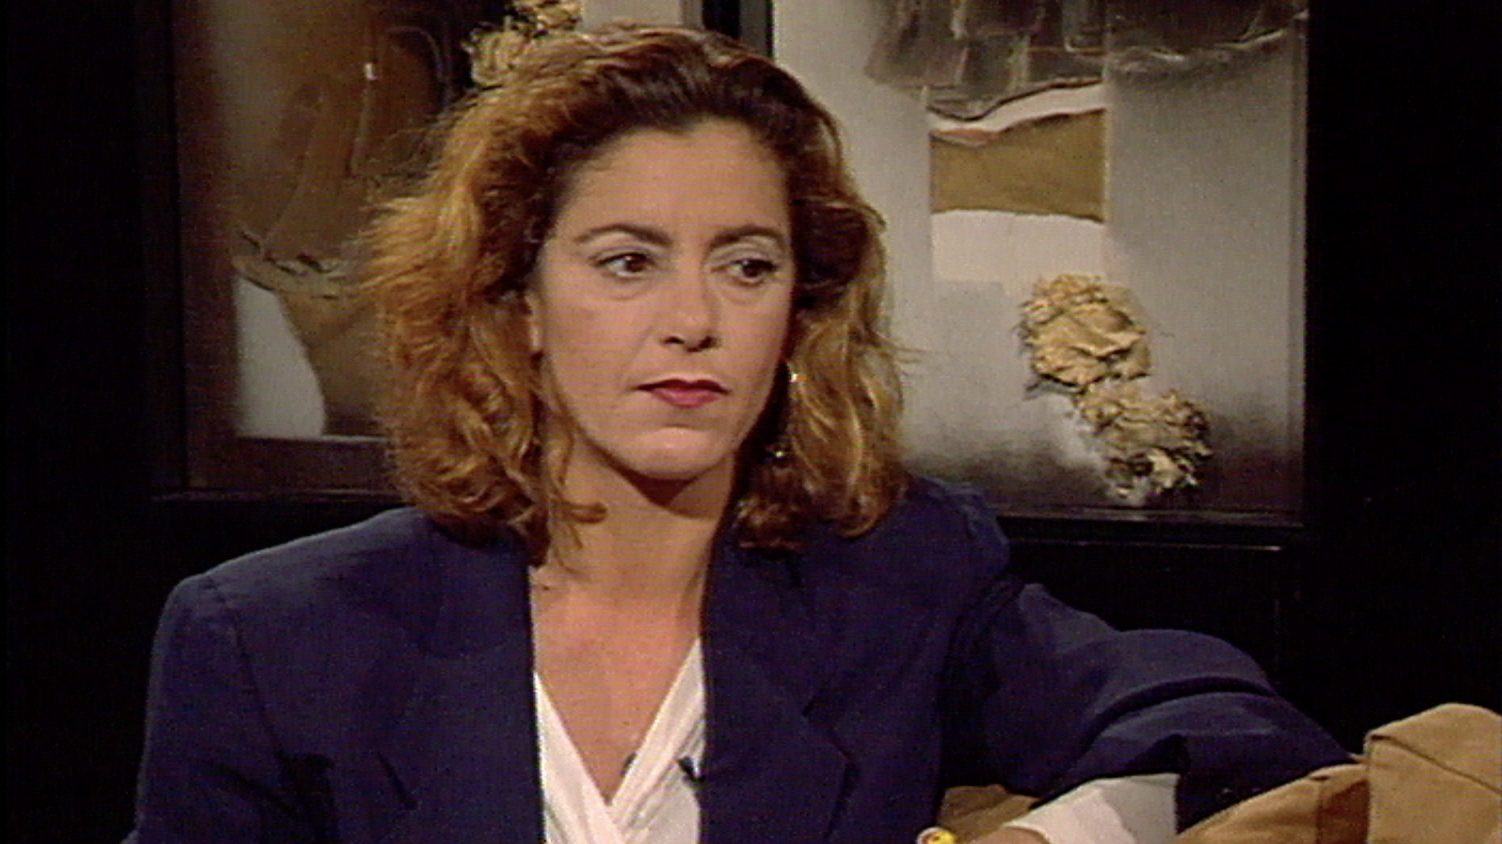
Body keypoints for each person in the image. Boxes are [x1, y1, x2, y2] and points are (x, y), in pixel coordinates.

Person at [127, 24, 1348, 844]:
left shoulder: (899, 579)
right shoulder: (272, 639)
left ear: (798, 311)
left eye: (747, 265)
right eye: (628, 262)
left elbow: (1224, 730)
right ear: (516, 299)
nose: (694, 320)